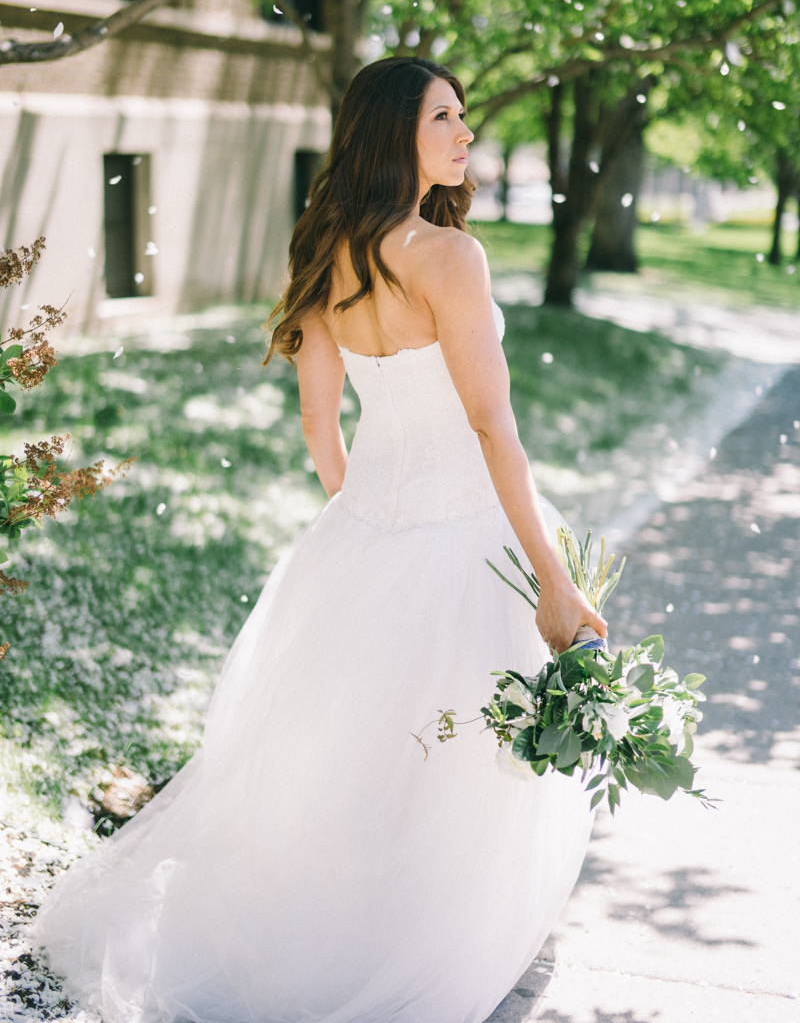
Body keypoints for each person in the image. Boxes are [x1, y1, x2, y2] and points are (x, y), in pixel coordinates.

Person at [33, 56, 606, 1023]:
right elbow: (492, 431)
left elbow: (318, 427)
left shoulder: (328, 248)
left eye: (464, 116)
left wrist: (369, 524)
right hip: (471, 537)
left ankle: (336, 922)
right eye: (444, 117)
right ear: (395, 135)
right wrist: (551, 577)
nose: (465, 133)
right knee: (456, 754)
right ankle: (421, 939)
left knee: (369, 752)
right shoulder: (448, 258)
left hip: (362, 539)